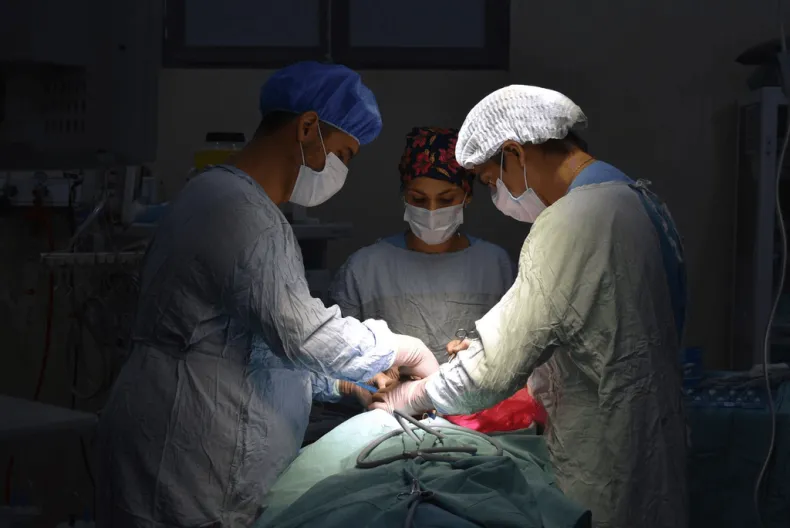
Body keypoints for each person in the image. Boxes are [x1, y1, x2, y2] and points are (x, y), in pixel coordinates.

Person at [95, 62, 439, 528]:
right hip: (188, 460)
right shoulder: (240, 213)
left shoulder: (215, 194)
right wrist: (401, 348)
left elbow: (245, 345)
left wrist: (342, 384)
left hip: (179, 437)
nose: (341, 170)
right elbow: (304, 335)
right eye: (343, 154)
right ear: (307, 128)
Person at [372, 85, 688, 528]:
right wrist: (525, 360)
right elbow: (607, 334)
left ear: (514, 154)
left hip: (605, 468)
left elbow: (489, 375)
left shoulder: (573, 220)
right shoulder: (639, 202)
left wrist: (411, 395)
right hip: (655, 454)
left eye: (490, 181)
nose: (497, 195)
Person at [310, 127, 515, 409]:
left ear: (467, 196)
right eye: (418, 199)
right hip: (389, 420)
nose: (431, 211)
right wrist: (360, 383)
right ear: (404, 196)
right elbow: (327, 359)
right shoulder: (365, 269)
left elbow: (520, 356)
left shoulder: (495, 267)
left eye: (446, 199)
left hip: (475, 419)